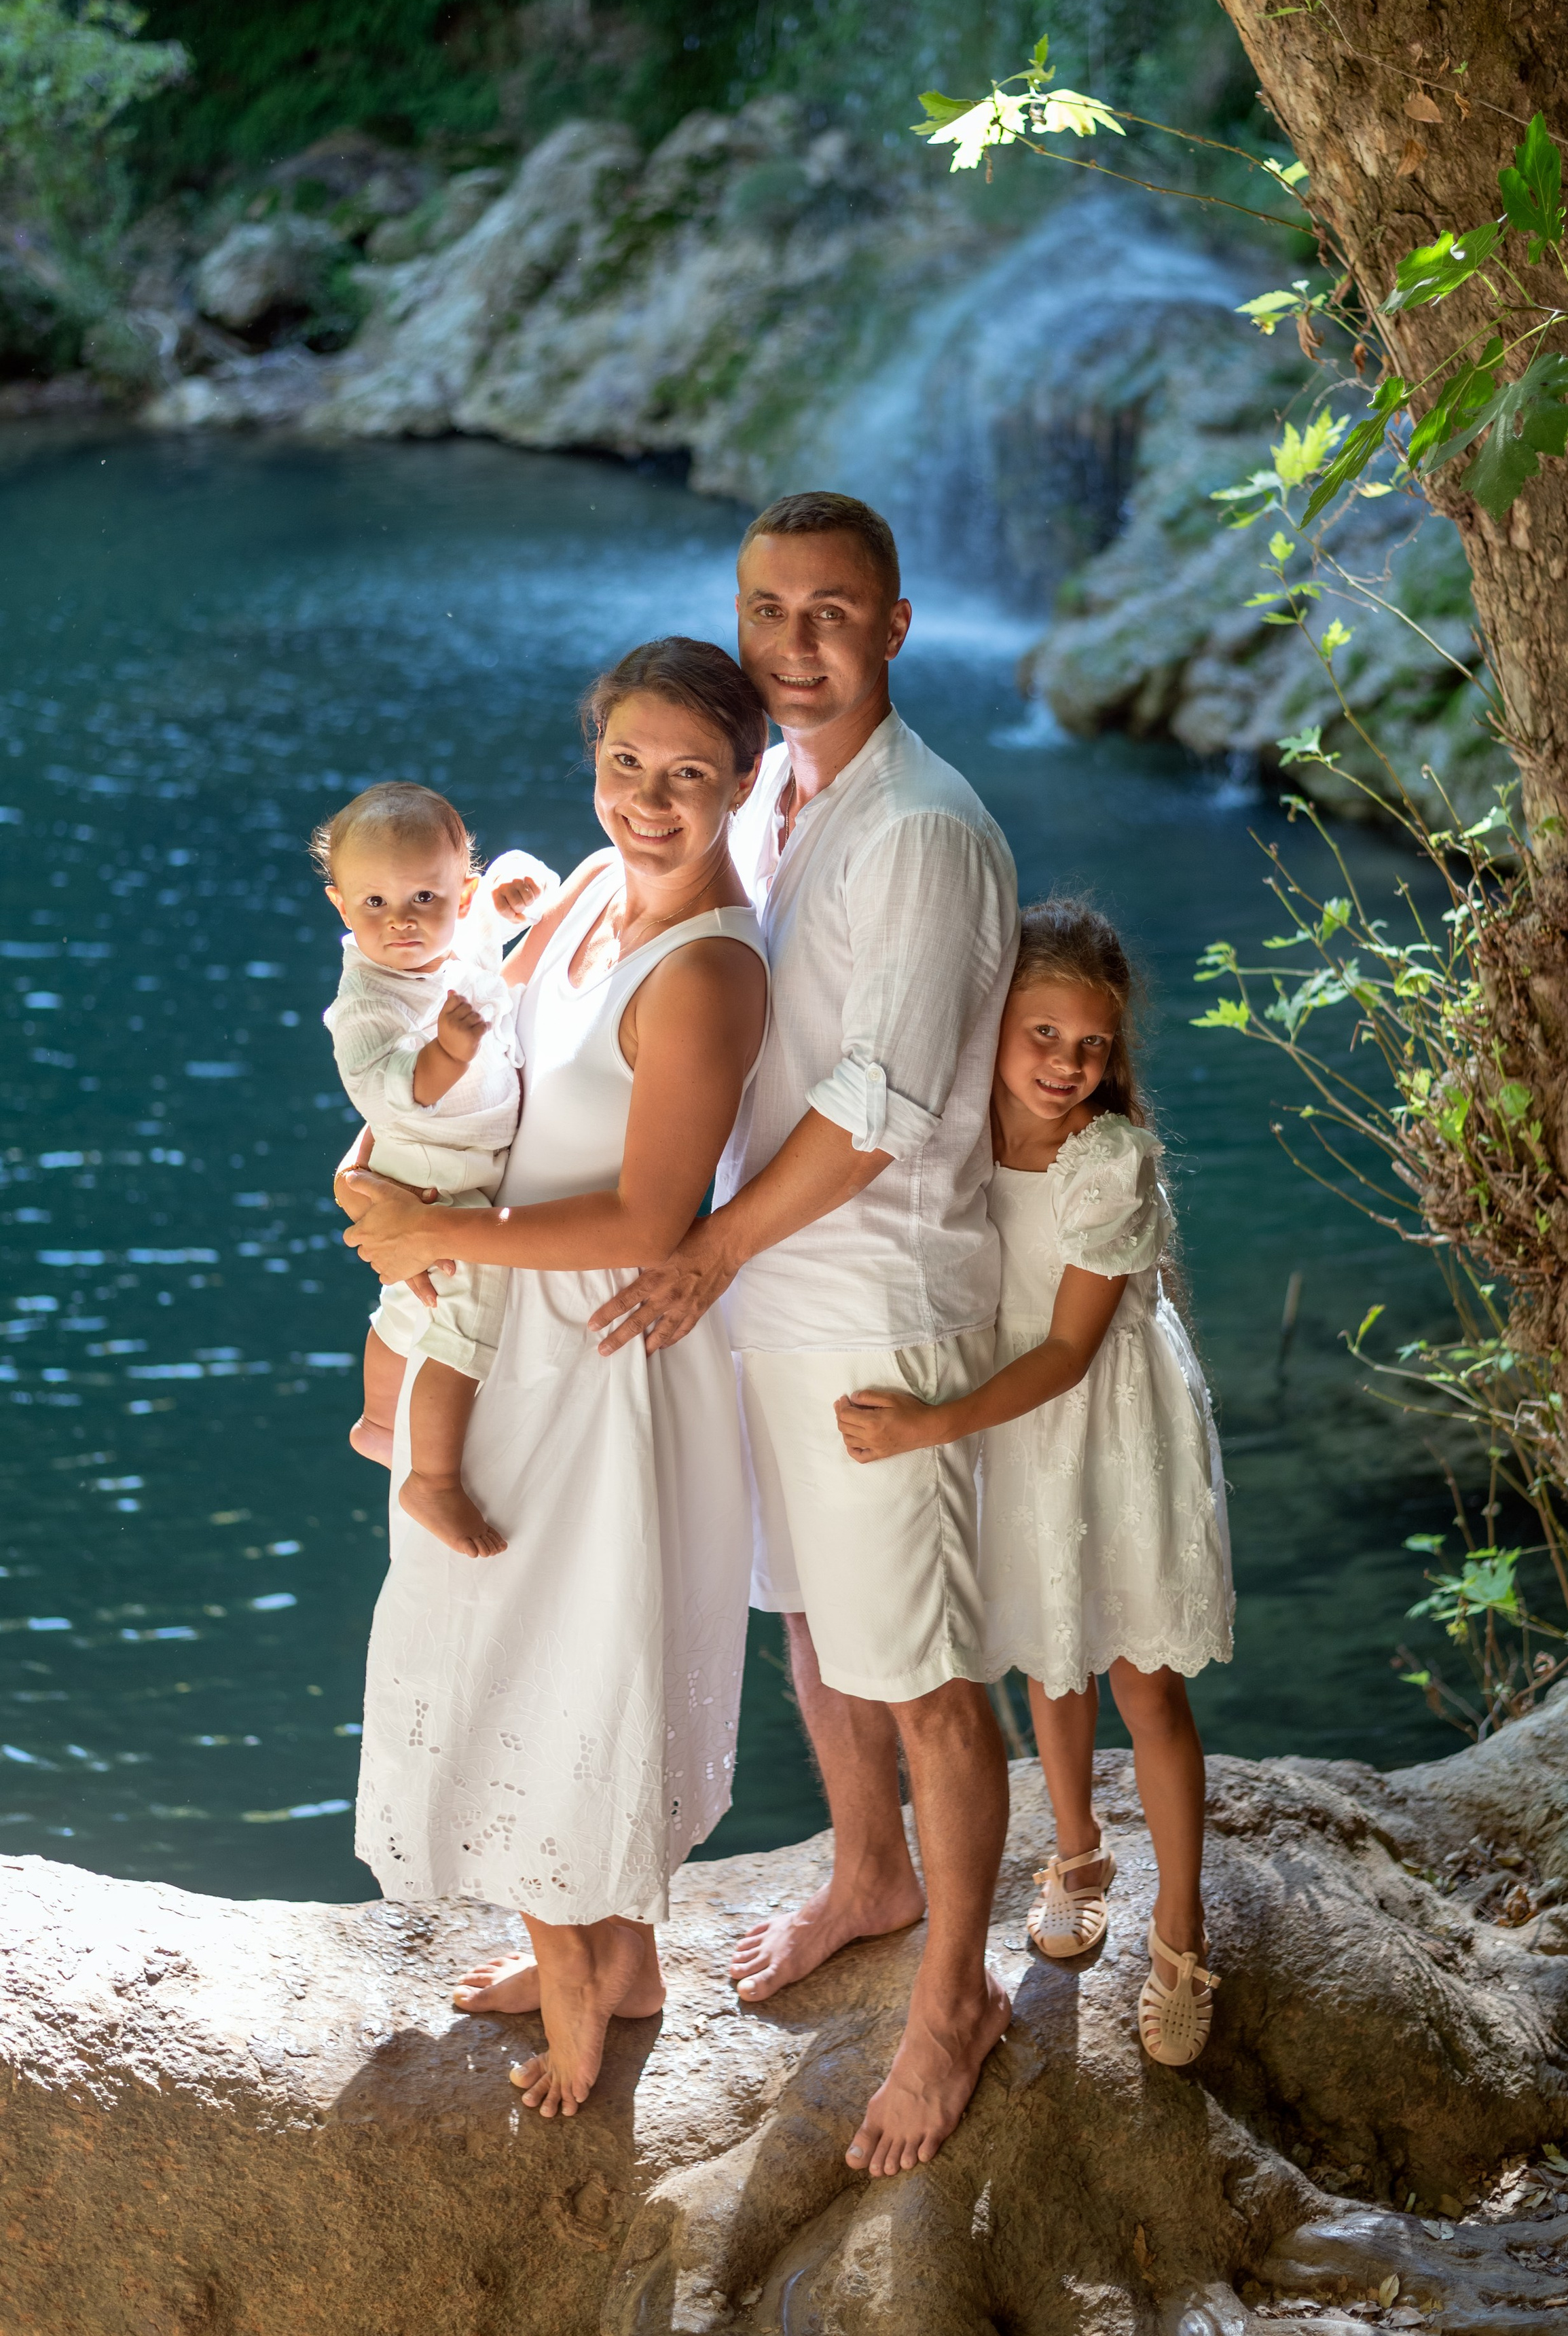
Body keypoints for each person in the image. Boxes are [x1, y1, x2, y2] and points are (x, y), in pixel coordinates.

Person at [588, 491, 1020, 2177]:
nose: (794, 643)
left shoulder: (917, 825)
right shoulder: (775, 788)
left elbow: (881, 1105)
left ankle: (953, 1998)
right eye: (767, 609)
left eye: (832, 611)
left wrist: (697, 1248)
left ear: (895, 629)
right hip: (776, 1289)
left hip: (874, 1298)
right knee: (810, 1622)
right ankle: (867, 1872)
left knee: (917, 1666)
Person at [335, 638, 769, 2119]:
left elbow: (657, 1219)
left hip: (597, 1352)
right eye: (624, 765)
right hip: (513, 1315)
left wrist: (430, 1230)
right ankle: (619, 1963)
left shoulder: (706, 969)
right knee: (548, 1644)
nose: (647, 801)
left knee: (535, 1650)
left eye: (688, 776)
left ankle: (582, 1992)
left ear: (744, 782)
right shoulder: (586, 891)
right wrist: (383, 1163)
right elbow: (469, 1060)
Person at [837, 898, 1235, 2066]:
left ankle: (1179, 1920)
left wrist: (929, 1426)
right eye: (1042, 1035)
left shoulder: (1108, 1161)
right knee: (1052, 1657)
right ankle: (1076, 1848)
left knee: (1141, 1677)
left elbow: (1065, 1355)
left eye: (1092, 1045)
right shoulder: (956, 1137)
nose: (1066, 1065)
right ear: (994, 1028)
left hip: (1102, 1421)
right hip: (1015, 1423)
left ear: (1116, 1058)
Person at [316, 781, 555, 1558]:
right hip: (432, 1170)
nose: (403, 921)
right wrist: (449, 1052)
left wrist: (518, 895)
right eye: (376, 903)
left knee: (406, 1300)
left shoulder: (451, 945)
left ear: (463, 891)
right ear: (342, 907)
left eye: (425, 895)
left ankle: (380, 1423)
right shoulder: (368, 1001)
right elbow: (384, 1086)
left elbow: (484, 940)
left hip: (449, 1165)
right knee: (470, 1309)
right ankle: (435, 1478)